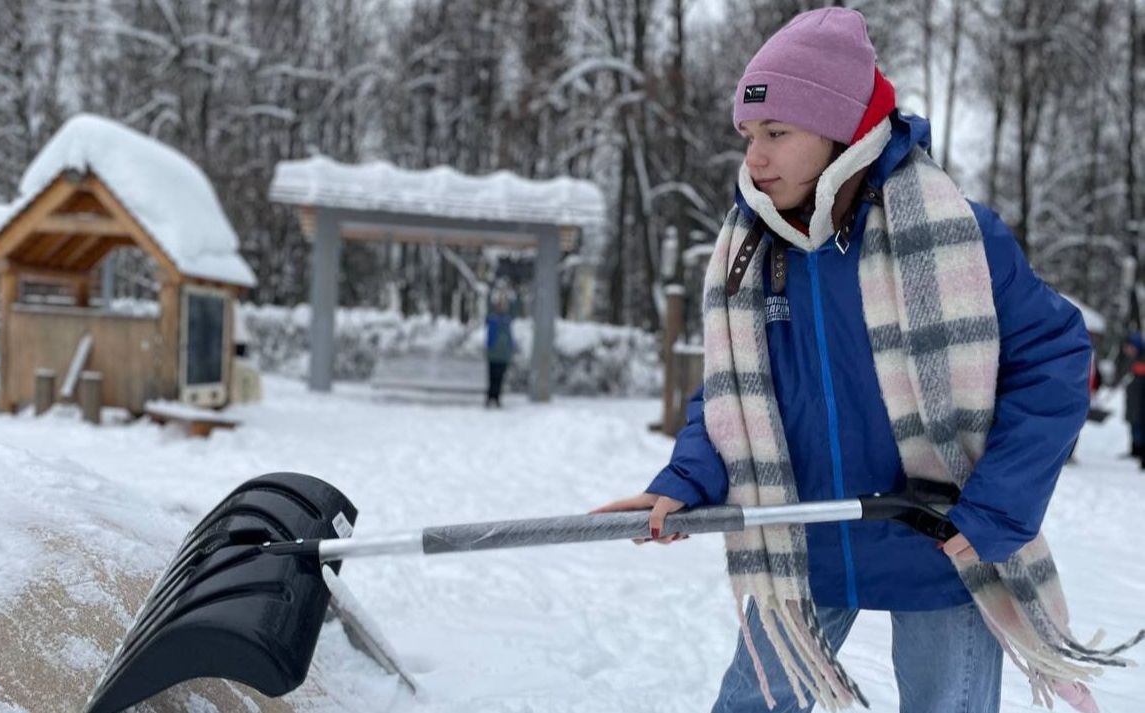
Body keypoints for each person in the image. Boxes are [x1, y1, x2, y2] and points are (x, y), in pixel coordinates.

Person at [596, 8, 1139, 713]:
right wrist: (686, 477)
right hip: (804, 543)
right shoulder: (753, 255)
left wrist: (997, 509)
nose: (754, 159)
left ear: (839, 130)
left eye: (776, 133)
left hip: (944, 543)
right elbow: (734, 394)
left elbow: (1055, 358)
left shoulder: (956, 235)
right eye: (748, 135)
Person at [484, 279, 518, 408]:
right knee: (492, 376)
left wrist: (512, 293)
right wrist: (490, 291)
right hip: (493, 353)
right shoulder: (492, 318)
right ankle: (490, 397)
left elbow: (515, 308)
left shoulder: (507, 319)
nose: (500, 306)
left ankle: (496, 397)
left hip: (503, 354)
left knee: (500, 377)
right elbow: (488, 305)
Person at [1124, 332, 1145, 466]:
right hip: (1134, 401)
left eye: (1129, 346)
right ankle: (1135, 450)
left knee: (1140, 426)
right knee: (1134, 424)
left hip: (1141, 402)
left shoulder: (1141, 360)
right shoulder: (1134, 359)